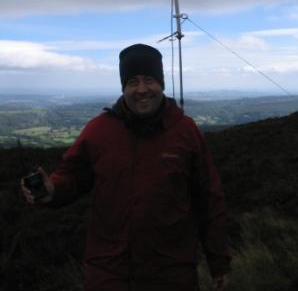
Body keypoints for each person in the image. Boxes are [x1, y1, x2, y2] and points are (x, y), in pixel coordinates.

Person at [21, 44, 232, 291]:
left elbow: (209, 200)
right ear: (123, 87)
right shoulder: (99, 130)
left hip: (171, 274)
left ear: (161, 83)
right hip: (109, 275)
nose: (142, 89)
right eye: (133, 81)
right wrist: (52, 190)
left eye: (149, 80)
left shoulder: (186, 131)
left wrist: (219, 262)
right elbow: (72, 176)